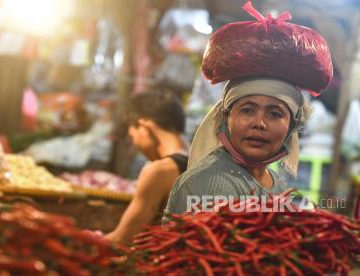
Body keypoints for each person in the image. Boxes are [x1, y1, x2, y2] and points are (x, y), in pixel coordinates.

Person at [164, 77, 312, 215]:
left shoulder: (277, 183)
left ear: (292, 127)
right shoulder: (211, 182)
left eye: (274, 114)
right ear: (225, 117)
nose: (259, 123)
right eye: (247, 110)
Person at [105, 90, 188, 244]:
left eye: (132, 137)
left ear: (144, 127)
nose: (135, 145)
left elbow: (123, 238)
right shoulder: (201, 160)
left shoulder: (160, 170)